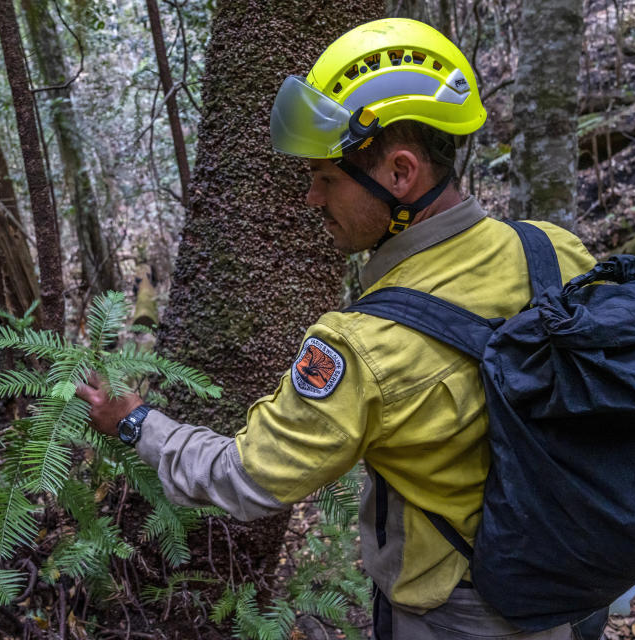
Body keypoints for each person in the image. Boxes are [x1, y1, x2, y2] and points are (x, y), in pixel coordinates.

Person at [77, 18, 599, 640]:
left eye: (327, 178)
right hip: (581, 579)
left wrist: (136, 424)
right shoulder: (557, 251)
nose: (311, 200)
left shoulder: (363, 346)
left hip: (462, 614)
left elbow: (249, 478)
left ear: (401, 174)